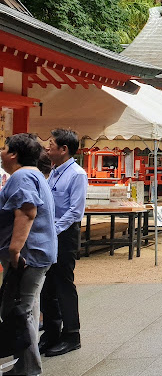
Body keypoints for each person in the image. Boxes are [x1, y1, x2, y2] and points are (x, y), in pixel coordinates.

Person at [0, 133, 57, 375]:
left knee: (20, 311)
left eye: (4, 147)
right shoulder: (33, 174)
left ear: (14, 153)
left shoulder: (22, 175)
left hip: (28, 255)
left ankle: (28, 368)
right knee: (28, 308)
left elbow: (27, 212)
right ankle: (26, 365)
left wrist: (14, 251)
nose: (1, 152)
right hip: (37, 253)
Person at [38, 129, 87, 357]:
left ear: (64, 149)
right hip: (51, 233)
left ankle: (72, 335)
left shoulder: (77, 174)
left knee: (64, 284)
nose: (47, 148)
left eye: (51, 144)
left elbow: (75, 211)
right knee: (47, 287)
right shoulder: (54, 172)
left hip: (65, 235)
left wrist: (53, 229)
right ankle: (50, 333)